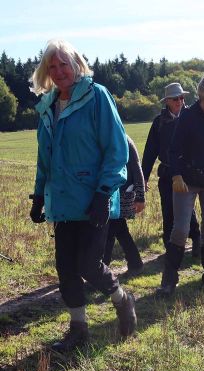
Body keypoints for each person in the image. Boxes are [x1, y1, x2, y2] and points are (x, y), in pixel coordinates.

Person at [29, 39, 136, 352]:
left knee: (90, 266)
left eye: (64, 64)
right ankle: (78, 328)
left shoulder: (96, 96)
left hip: (93, 199)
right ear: (46, 72)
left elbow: (116, 149)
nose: (59, 70)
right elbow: (44, 157)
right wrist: (38, 196)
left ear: (77, 65)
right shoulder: (48, 105)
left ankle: (122, 299)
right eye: (53, 66)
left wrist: (104, 193)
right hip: (62, 202)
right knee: (66, 269)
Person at [159, 68, 204, 295]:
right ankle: (169, 278)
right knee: (180, 229)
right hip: (186, 180)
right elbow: (174, 149)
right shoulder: (187, 116)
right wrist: (177, 175)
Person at [141, 83, 202, 257]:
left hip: (187, 173)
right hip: (167, 173)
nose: (180, 101)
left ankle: (196, 238)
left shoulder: (191, 117)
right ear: (167, 101)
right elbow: (150, 151)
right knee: (168, 209)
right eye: (175, 98)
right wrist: (143, 177)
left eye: (182, 97)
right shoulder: (159, 122)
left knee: (187, 209)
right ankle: (170, 247)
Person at [102, 135, 145, 275]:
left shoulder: (124, 139)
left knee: (110, 230)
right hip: (109, 192)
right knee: (119, 229)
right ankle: (135, 263)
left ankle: (103, 271)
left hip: (122, 193)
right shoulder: (104, 138)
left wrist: (140, 196)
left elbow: (136, 167)